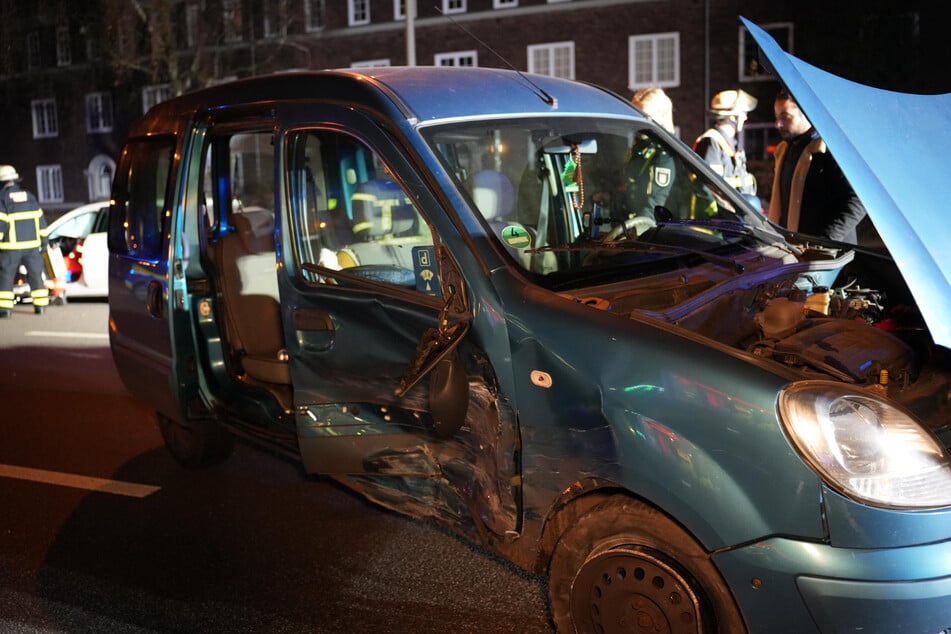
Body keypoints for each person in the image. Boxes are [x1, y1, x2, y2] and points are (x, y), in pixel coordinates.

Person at [769, 88, 868, 243]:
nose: (778, 124)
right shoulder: (785, 150)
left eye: (785, 117)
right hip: (797, 252)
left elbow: (858, 200)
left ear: (806, 114)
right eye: (776, 117)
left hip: (829, 258)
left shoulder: (831, 150)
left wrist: (825, 240)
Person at [0, 165, 51, 317]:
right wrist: (44, 241)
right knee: (35, 275)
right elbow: (41, 221)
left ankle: (5, 309)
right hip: (32, 247)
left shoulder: (2, 199)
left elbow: (1, 224)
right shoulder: (29, 196)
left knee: (6, 277)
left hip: (11, 248)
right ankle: (40, 306)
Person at [623, 87, 677, 220]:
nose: (638, 121)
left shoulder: (664, 154)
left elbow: (655, 205)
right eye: (635, 114)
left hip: (653, 229)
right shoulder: (640, 145)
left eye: (645, 116)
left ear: (662, 117)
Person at [693, 89, 758, 195]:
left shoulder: (731, 144)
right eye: (743, 113)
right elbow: (710, 188)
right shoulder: (711, 142)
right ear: (732, 116)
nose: (745, 117)